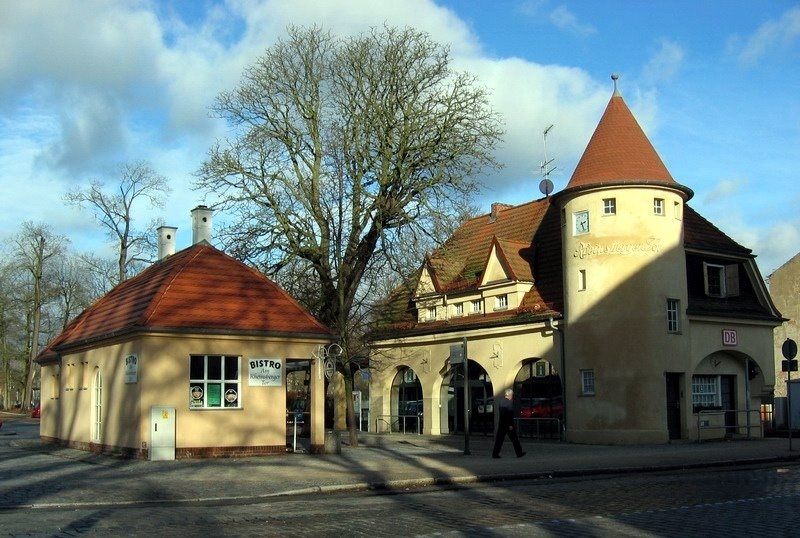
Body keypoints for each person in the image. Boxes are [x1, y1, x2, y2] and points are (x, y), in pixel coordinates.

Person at [492, 388, 525, 458]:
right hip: (508, 425)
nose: (512, 396)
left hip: (502, 424)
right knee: (515, 439)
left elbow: (502, 414)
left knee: (499, 440)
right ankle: (519, 453)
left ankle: (495, 454)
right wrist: (510, 424)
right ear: (510, 395)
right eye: (512, 395)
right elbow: (509, 414)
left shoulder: (501, 401)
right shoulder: (509, 403)